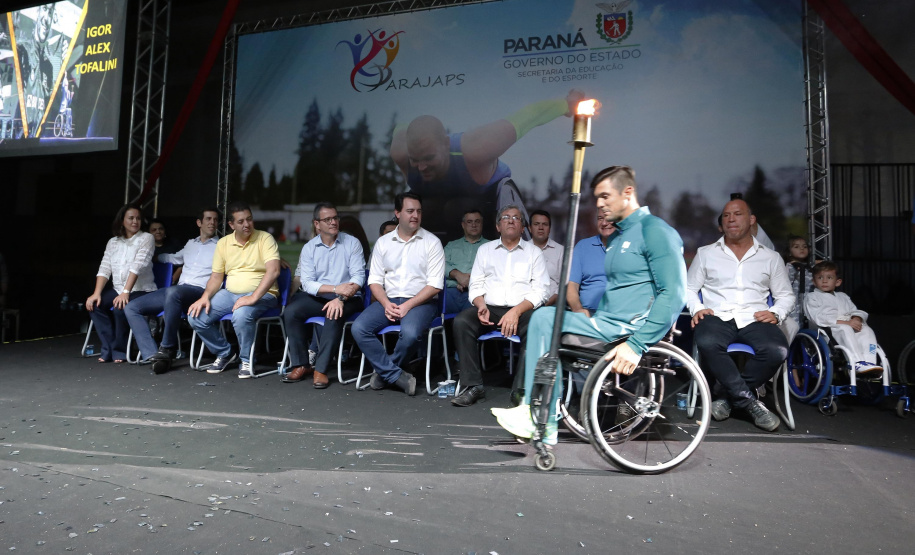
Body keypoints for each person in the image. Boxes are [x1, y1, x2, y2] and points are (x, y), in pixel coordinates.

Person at [494, 166, 687, 445]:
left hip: (628, 330)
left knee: (546, 319)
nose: (599, 203)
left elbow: (673, 294)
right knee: (545, 318)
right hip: (605, 323)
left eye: (605, 196)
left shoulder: (655, 231)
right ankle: (537, 412)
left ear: (628, 192)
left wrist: (636, 345)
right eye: (597, 198)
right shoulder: (620, 236)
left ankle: (541, 417)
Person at [390, 90, 584, 243]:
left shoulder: (476, 149)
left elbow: (528, 117)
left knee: (455, 209)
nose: (421, 167)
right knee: (422, 210)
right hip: (436, 208)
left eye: (429, 158)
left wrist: (566, 104)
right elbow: (402, 119)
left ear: (446, 144)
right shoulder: (401, 152)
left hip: (486, 204)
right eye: (415, 160)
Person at [687, 198, 794, 432]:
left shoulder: (771, 257)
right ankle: (748, 402)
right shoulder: (706, 254)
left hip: (754, 317)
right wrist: (697, 308)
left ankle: (727, 398)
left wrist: (776, 312)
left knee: (778, 350)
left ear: (751, 220)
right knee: (706, 341)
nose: (731, 219)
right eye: (726, 215)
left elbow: (786, 295)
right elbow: (688, 288)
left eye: (737, 214)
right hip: (717, 315)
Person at [450, 205, 549, 407]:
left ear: (522, 228)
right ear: (497, 226)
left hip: (522, 310)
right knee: (462, 321)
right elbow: (476, 285)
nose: (511, 220)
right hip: (491, 309)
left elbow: (541, 290)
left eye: (516, 218)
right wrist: (480, 305)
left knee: (536, 325)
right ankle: (473, 386)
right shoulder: (485, 250)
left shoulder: (534, 253)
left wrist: (516, 311)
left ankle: (521, 389)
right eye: (506, 217)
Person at [352, 192, 444, 395]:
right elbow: (374, 281)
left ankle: (383, 374)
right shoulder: (383, 243)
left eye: (419, 211)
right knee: (359, 328)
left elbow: (435, 285)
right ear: (397, 213)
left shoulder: (432, 242)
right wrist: (386, 304)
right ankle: (396, 376)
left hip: (421, 303)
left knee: (410, 334)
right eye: (410, 211)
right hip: (389, 300)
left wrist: (407, 305)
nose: (415, 215)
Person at [187, 201, 281, 379]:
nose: (246, 224)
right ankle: (225, 353)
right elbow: (216, 277)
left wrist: (253, 297)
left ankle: (246, 359)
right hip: (230, 294)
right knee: (195, 316)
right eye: (241, 221)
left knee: (241, 314)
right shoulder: (223, 243)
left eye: (249, 219)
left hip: (264, 295)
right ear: (231, 225)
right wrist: (205, 297)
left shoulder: (265, 238)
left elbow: (274, 271)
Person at [124, 208, 220, 374]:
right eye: (208, 219)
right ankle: (154, 354)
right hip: (177, 291)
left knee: (173, 292)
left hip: (199, 292)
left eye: (215, 220)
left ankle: (167, 347)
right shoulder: (191, 243)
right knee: (131, 307)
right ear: (199, 223)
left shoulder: (222, 245)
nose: (212, 222)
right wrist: (152, 257)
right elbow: (174, 257)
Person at [282, 203, 365, 388]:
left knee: (334, 313)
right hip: (324, 294)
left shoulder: (352, 243)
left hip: (350, 298)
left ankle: (320, 369)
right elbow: (308, 283)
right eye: (328, 219)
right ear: (317, 224)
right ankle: (301, 364)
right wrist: (336, 290)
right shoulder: (309, 248)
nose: (333, 222)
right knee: (292, 311)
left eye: (335, 218)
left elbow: (358, 277)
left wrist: (341, 298)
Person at [85, 204, 156, 363]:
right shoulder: (113, 242)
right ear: (122, 221)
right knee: (95, 304)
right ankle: (108, 348)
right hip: (119, 289)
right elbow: (105, 268)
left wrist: (126, 292)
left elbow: (137, 266)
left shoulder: (146, 238)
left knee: (120, 307)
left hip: (141, 289)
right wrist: (96, 293)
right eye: (131, 218)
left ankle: (121, 350)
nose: (135, 221)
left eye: (138, 218)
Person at [804, 261, 883, 376]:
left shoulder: (843, 296)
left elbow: (854, 310)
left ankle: (869, 362)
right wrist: (846, 322)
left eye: (829, 277)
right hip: (827, 329)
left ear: (837, 282)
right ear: (814, 282)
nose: (824, 281)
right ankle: (856, 362)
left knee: (867, 330)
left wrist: (856, 318)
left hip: (848, 325)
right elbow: (817, 318)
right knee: (845, 329)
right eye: (820, 277)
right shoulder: (812, 297)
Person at [567, 213, 615, 315]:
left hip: (619, 314)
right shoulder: (583, 246)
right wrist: (578, 310)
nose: (604, 223)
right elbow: (572, 286)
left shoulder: (627, 246)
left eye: (609, 218)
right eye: (600, 218)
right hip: (588, 312)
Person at [443, 209, 489, 314]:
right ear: (463, 225)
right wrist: (457, 276)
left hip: (477, 295)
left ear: (482, 224)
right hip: (450, 293)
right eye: (469, 222)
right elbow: (439, 266)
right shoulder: (451, 246)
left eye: (477, 221)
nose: (474, 225)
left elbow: (494, 273)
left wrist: (470, 282)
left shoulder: (490, 247)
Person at [528, 209, 563, 306]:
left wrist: (546, 305)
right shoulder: (522, 250)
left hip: (552, 306)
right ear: (530, 228)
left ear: (549, 229)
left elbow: (563, 285)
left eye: (545, 224)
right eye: (536, 224)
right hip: (524, 306)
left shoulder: (561, 251)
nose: (540, 228)